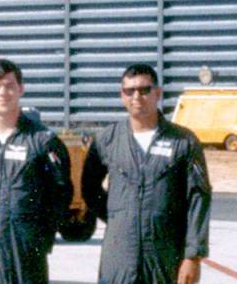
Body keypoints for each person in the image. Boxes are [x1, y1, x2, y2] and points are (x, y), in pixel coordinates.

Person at [81, 64, 211, 284]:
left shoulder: (184, 142)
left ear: (158, 93)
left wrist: (193, 256)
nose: (136, 97)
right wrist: (119, 216)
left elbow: (198, 198)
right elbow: (89, 188)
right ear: (121, 95)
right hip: (119, 261)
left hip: (164, 259)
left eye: (144, 90)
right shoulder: (107, 140)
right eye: (129, 91)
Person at [0, 58, 72, 284]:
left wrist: (39, 239)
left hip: (24, 250)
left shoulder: (42, 141)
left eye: (10, 86)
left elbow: (61, 193)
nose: (3, 93)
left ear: (20, 89)